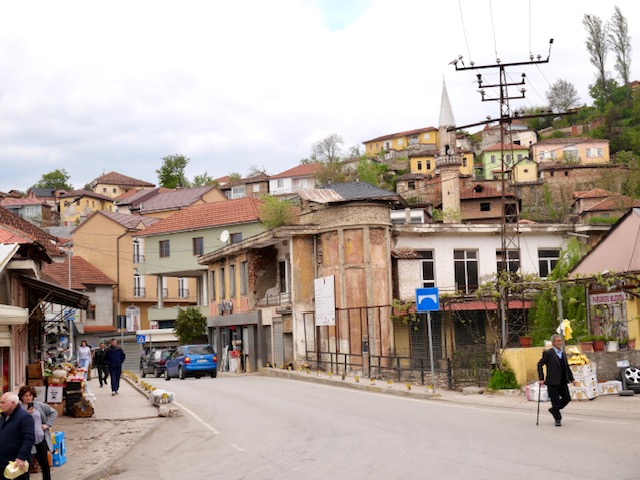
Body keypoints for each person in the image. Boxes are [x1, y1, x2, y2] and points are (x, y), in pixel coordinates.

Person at [18, 386, 57, 480]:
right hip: (26, 441)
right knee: (27, 465)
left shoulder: (39, 405)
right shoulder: (19, 408)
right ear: (21, 397)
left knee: (44, 463)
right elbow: (17, 421)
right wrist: (27, 414)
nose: (28, 398)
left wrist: (47, 425)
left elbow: (53, 412)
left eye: (30, 395)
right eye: (26, 396)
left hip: (40, 438)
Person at [537, 334, 576, 426]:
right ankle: (557, 419)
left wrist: (572, 379)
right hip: (552, 381)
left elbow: (566, 367)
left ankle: (554, 410)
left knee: (567, 398)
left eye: (561, 341)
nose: (560, 343)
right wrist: (541, 378)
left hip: (563, 380)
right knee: (555, 401)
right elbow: (539, 365)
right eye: (558, 341)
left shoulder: (563, 353)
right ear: (553, 343)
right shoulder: (548, 353)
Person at [0, 392, 35, 479]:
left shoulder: (24, 417)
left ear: (13, 403)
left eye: (3, 403)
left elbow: (29, 439)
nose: (0, 405)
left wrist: (21, 457)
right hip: (2, 461)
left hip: (16, 464)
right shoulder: (3, 416)